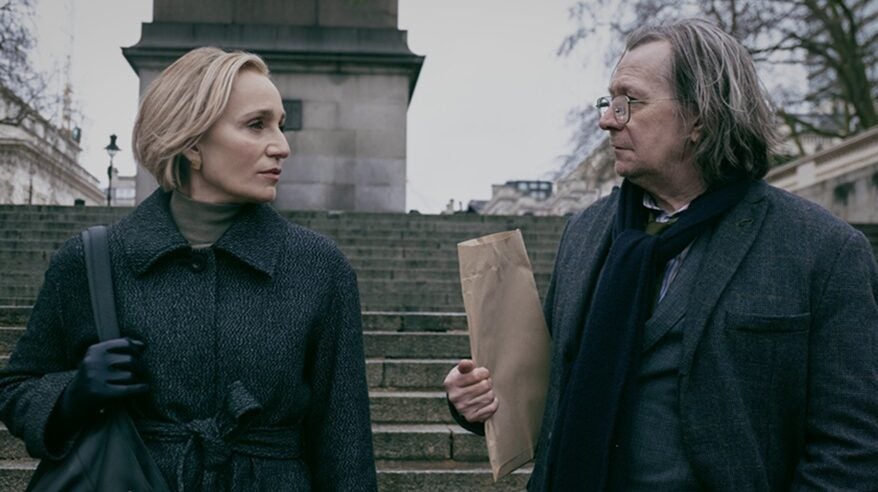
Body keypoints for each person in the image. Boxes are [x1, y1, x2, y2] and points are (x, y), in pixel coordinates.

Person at [445, 18, 878, 491]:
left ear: (700, 117)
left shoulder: (824, 250)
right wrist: (481, 398)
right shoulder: (586, 231)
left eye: (628, 102)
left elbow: (851, 447)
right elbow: (551, 388)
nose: (607, 119)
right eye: (608, 101)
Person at [0, 47, 377, 491]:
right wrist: (72, 395)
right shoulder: (89, 261)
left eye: (280, 124)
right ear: (191, 141)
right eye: (257, 125)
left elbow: (345, 441)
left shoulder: (318, 267)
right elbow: (17, 387)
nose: (282, 146)